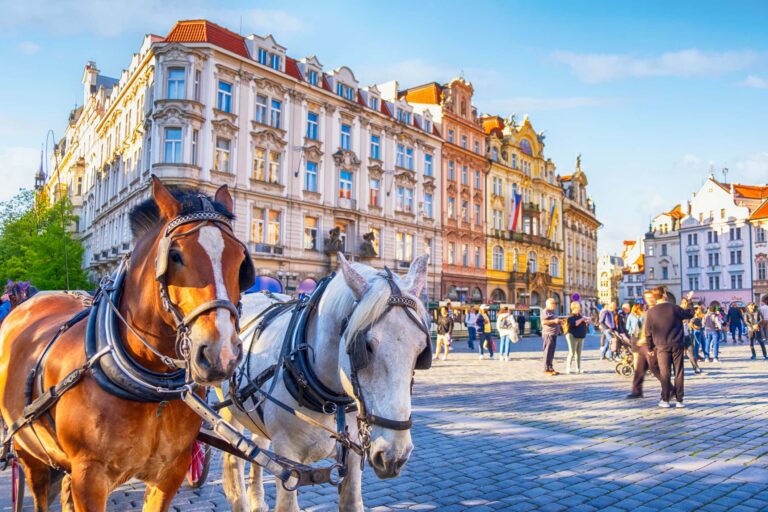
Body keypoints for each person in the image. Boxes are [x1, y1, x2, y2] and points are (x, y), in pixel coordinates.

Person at [645, 287, 695, 408]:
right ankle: (679, 400)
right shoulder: (674, 308)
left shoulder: (651, 312)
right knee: (678, 372)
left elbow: (648, 332)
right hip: (677, 344)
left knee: (664, 373)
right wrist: (689, 300)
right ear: (664, 295)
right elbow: (689, 313)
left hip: (661, 346)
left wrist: (650, 348)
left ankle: (665, 400)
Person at [626, 292, 661, 399]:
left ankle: (671, 389)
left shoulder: (657, 310)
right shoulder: (647, 312)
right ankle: (636, 391)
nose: (649, 299)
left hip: (651, 344)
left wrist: (649, 341)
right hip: (643, 344)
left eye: (651, 297)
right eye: (647, 298)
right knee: (639, 369)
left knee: (655, 369)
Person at [565, 301, 589, 374]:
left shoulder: (580, 316)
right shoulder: (571, 316)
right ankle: (568, 368)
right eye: (578, 307)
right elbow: (574, 324)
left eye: (580, 307)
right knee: (572, 352)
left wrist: (586, 322)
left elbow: (583, 325)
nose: (580, 308)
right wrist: (582, 319)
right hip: (572, 335)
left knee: (579, 353)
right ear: (574, 308)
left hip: (580, 336)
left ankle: (578, 368)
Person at [681, 297, 701, 374]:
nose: (685, 304)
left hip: (687, 336)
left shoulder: (687, 313)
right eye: (684, 303)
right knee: (678, 356)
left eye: (686, 303)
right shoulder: (679, 312)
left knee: (691, 353)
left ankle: (696, 367)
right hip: (679, 337)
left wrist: (690, 322)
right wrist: (682, 321)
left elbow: (691, 318)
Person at [541, 298, 561, 375]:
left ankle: (550, 368)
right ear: (548, 304)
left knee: (551, 352)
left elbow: (555, 321)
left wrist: (559, 322)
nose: (554, 305)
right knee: (547, 352)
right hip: (548, 334)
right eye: (553, 303)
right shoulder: (545, 311)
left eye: (555, 303)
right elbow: (543, 322)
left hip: (554, 334)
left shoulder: (552, 312)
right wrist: (554, 321)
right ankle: (546, 369)